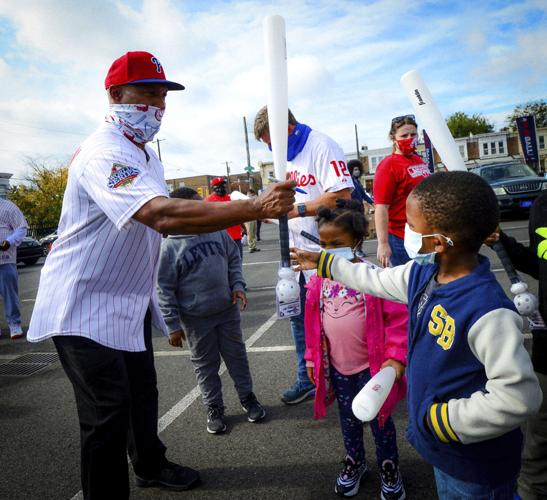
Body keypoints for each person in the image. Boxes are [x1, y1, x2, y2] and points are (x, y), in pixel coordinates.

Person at [27, 51, 295, 500]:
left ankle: (149, 464)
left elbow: (173, 216)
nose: (158, 106)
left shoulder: (144, 155)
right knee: (106, 415)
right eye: (147, 93)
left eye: (163, 95)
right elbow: (160, 216)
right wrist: (251, 206)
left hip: (125, 301)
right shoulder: (103, 152)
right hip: (81, 304)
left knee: (142, 393)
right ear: (115, 96)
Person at [292, 171, 543, 499]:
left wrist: (441, 420)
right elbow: (374, 279)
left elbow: (519, 397)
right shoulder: (422, 273)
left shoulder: (488, 310)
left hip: (476, 465)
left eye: (411, 225)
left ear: (437, 242)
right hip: (443, 452)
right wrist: (327, 262)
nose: (404, 231)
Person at [304, 199, 408, 499]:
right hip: (339, 368)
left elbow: (398, 320)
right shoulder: (318, 280)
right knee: (349, 421)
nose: (328, 249)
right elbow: (313, 324)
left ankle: (389, 465)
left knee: (381, 421)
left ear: (356, 241)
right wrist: (312, 359)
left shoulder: (372, 277)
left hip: (373, 370)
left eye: (336, 243)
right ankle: (355, 462)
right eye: (324, 243)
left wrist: (395, 358)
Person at [254, 106, 353, 405]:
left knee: (338, 321)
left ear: (286, 128)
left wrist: (296, 210)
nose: (271, 149)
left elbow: (341, 195)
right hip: (296, 257)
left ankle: (346, 380)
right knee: (300, 321)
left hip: (325, 253)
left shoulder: (321, 145)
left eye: (270, 141)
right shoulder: (285, 157)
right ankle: (307, 378)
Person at [157, 187, 266, 434]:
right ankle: (214, 407)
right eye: (198, 207)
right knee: (206, 365)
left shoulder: (217, 232)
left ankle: (248, 398)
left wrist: (238, 285)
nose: (205, 210)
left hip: (226, 311)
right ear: (182, 211)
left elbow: (233, 260)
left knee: (237, 357)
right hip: (196, 319)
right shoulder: (170, 247)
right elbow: (164, 288)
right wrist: (172, 324)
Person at [485, 195, 547, 500]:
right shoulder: (543, 206)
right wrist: (502, 241)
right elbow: (538, 264)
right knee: (537, 449)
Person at [374, 115, 430, 267]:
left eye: (413, 134)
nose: (409, 138)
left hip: (423, 234)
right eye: (404, 135)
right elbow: (381, 207)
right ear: (393, 138)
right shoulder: (388, 165)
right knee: (410, 284)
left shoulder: (418, 160)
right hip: (401, 238)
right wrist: (383, 243)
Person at [0, 198, 28, 339]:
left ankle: (14, 325)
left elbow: (22, 228)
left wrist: (9, 242)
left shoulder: (8, 207)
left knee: (10, 294)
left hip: (5, 259)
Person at [206, 177, 246, 258]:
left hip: (235, 235)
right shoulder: (209, 201)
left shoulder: (230, 198)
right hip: (219, 237)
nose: (221, 187)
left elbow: (237, 215)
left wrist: (244, 227)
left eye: (223, 185)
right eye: (218, 185)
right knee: (223, 262)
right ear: (213, 187)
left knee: (238, 259)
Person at [244, 188, 260, 253]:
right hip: (248, 218)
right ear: (250, 194)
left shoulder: (253, 198)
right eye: (252, 194)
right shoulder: (246, 199)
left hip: (253, 217)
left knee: (254, 232)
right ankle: (250, 247)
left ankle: (254, 246)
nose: (254, 195)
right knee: (250, 233)